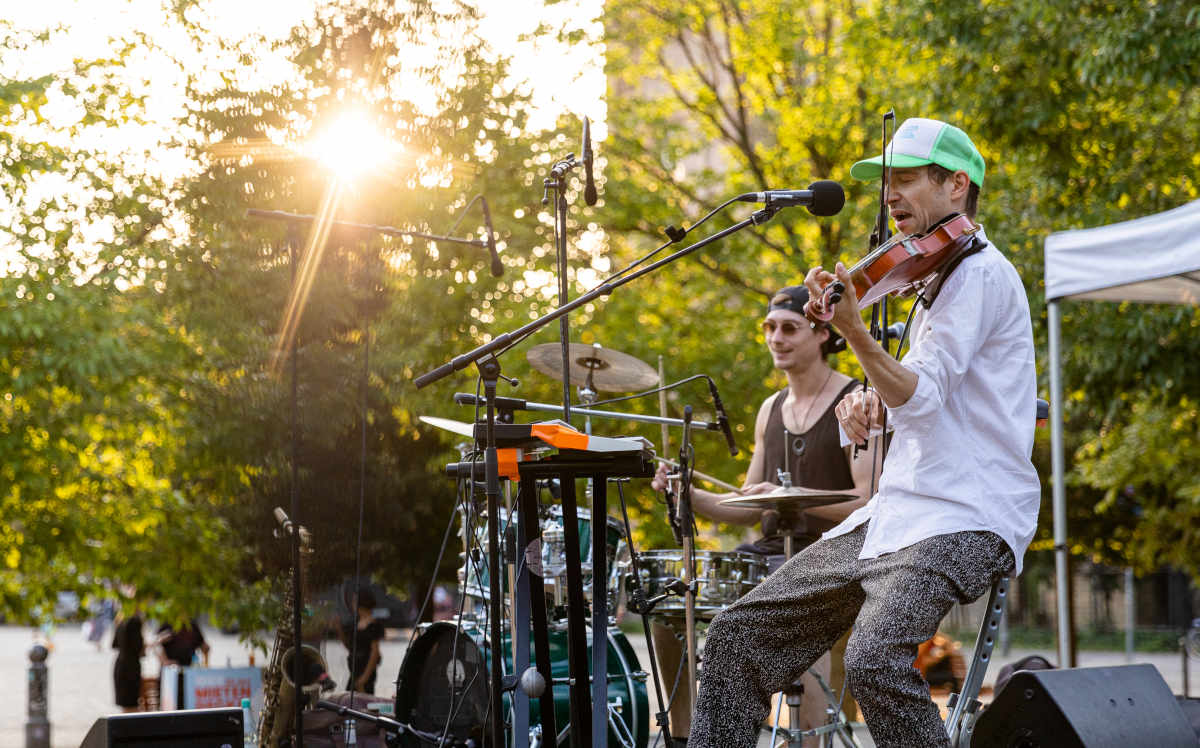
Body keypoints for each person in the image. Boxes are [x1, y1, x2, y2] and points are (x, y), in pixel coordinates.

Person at [687, 117, 1040, 748]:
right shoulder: (934, 279)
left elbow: (925, 399)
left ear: (957, 185)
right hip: (898, 512)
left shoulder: (980, 276)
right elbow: (920, 392)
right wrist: (872, 404)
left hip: (969, 514)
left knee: (874, 660)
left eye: (904, 180)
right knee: (736, 637)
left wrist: (854, 333)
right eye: (886, 183)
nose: (889, 196)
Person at [647, 284, 882, 744]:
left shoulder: (858, 400)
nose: (777, 337)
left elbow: (867, 501)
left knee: (799, 616)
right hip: (769, 555)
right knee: (670, 605)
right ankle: (686, 736)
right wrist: (687, 493)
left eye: (790, 328)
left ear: (822, 335)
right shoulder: (770, 409)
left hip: (833, 556)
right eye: (770, 328)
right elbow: (746, 506)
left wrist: (789, 493)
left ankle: (809, 740)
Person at [343, 587, 384, 693]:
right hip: (354, 672)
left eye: (354, 600)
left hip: (365, 673)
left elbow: (375, 653)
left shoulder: (373, 624)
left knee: (363, 704)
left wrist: (364, 678)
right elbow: (351, 647)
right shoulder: (356, 623)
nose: (352, 604)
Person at [112, 612, 144, 712]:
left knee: (126, 706)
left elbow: (114, 644)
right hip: (131, 667)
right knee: (131, 706)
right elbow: (138, 647)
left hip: (120, 665)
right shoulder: (135, 622)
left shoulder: (121, 620)